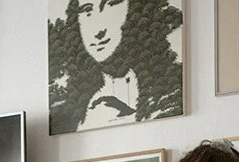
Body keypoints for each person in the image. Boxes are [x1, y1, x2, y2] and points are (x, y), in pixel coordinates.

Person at [47, 0, 184, 134]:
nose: (99, 31)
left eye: (112, 4)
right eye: (87, 11)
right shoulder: (67, 113)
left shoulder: (172, 94)